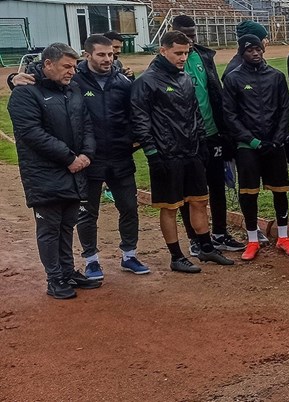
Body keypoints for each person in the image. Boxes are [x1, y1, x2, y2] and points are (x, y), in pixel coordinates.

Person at [131, 31, 233, 273]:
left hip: (192, 152)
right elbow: (140, 120)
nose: (183, 57)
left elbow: (195, 114)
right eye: (178, 53)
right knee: (170, 207)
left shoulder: (186, 78)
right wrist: (153, 153)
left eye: (186, 53)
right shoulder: (146, 82)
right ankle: (176, 256)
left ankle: (206, 247)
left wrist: (200, 145)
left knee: (199, 202)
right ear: (162, 50)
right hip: (166, 155)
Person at [8, 42, 101, 299]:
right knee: (49, 228)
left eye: (74, 66)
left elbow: (86, 125)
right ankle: (55, 278)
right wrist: (69, 157)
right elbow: (31, 134)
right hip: (44, 173)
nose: (72, 71)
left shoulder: (72, 89)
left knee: (66, 225)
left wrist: (86, 155)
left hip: (73, 170)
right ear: (48, 64)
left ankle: (68, 271)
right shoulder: (25, 93)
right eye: (66, 66)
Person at [171, 16, 247, 256]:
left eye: (193, 35)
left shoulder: (204, 57)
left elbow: (215, 92)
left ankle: (220, 233)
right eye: (185, 36)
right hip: (186, 138)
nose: (191, 41)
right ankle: (194, 238)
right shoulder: (166, 63)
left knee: (217, 184)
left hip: (212, 133)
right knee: (190, 191)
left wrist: (224, 129)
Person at [74, 35, 149, 278]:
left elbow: (136, 115)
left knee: (129, 207)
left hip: (120, 157)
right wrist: (14, 79)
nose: (108, 59)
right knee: (88, 212)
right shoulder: (74, 82)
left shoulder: (123, 82)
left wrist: (131, 141)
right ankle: (91, 260)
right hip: (89, 159)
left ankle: (129, 255)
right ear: (87, 56)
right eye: (101, 55)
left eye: (111, 54)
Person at [222, 35, 289, 260]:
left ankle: (283, 237)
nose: (255, 53)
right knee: (249, 193)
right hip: (248, 146)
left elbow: (285, 109)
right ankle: (253, 239)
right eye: (249, 50)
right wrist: (252, 140)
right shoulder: (233, 78)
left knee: (280, 190)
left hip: (274, 143)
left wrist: (277, 139)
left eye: (258, 49)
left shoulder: (276, 76)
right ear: (242, 52)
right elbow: (230, 114)